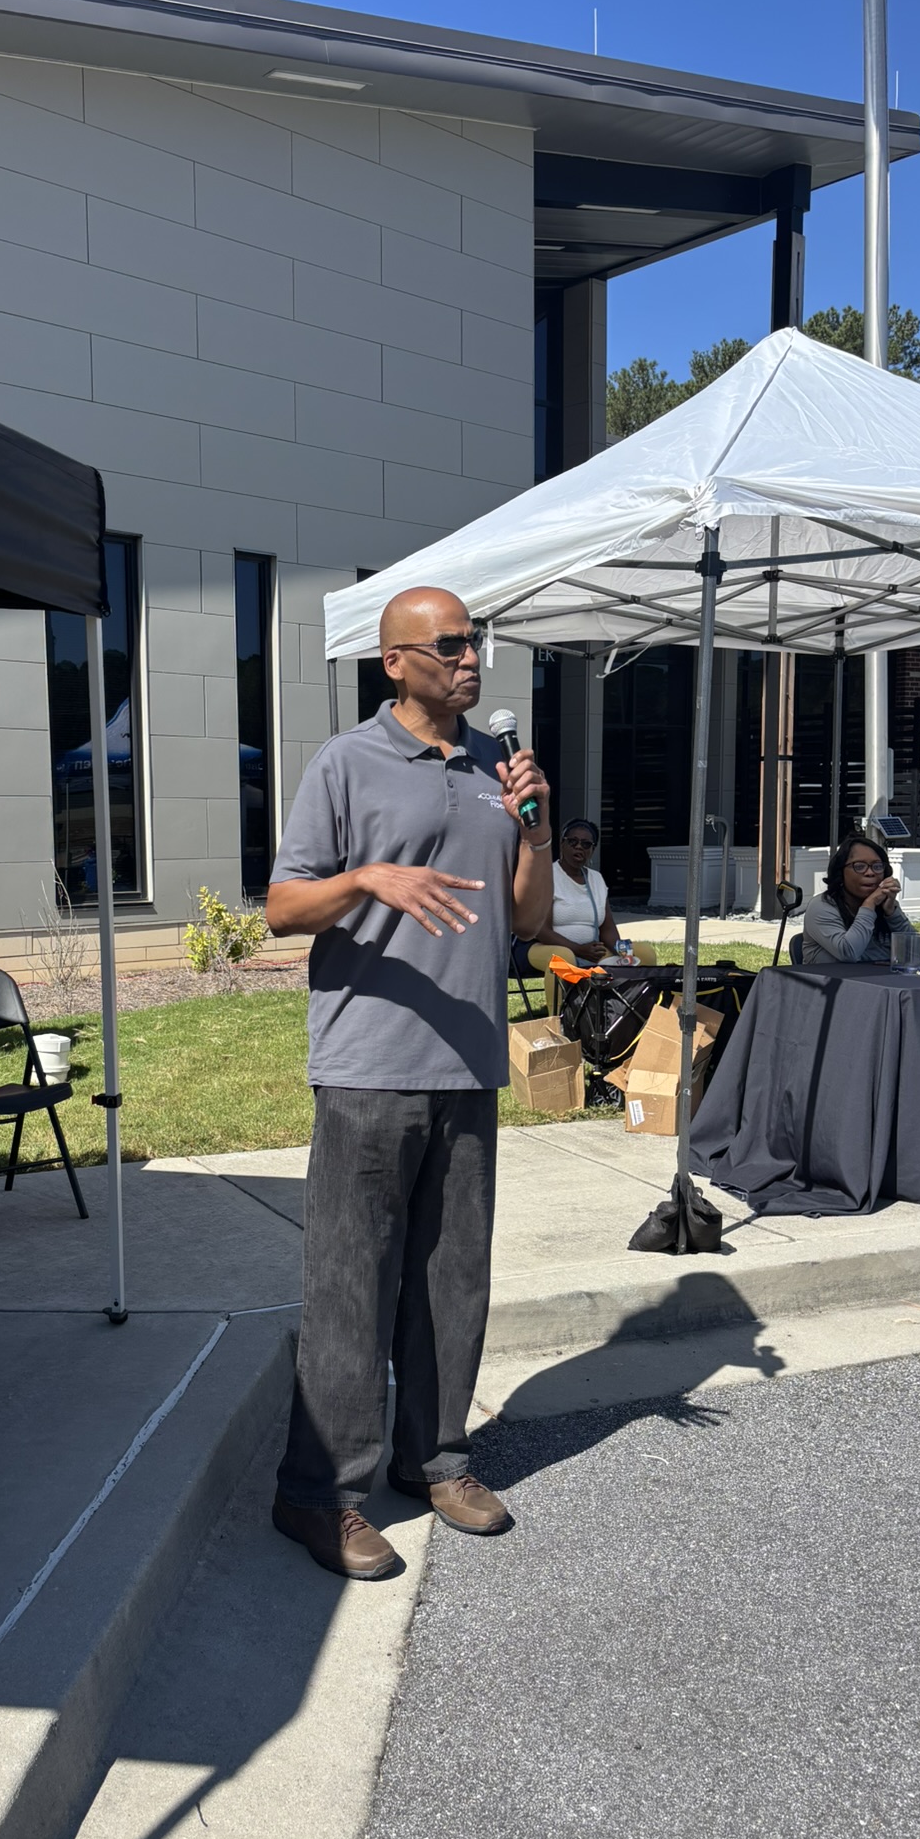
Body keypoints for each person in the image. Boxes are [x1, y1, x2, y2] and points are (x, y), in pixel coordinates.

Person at [264, 586, 552, 1580]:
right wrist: (367, 880)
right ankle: (318, 1493)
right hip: (369, 1064)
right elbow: (282, 906)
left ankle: (435, 1459)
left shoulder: (492, 768)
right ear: (395, 661)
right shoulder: (346, 763)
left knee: (451, 1279)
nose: (471, 661)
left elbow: (526, 919)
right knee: (351, 1285)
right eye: (451, 645)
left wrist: (534, 831)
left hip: (467, 1064)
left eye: (476, 644)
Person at [523, 816, 627, 1011]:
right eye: (573, 842)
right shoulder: (547, 875)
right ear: (562, 844)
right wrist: (578, 949)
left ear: (592, 850)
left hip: (589, 951)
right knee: (563, 958)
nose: (579, 847)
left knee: (644, 954)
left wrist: (624, 953)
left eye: (586, 844)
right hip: (541, 947)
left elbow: (608, 929)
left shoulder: (596, 879)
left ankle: (622, 1014)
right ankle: (558, 1019)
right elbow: (541, 931)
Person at [802, 832, 912, 963]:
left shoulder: (885, 904)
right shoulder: (821, 906)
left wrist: (892, 913)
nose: (870, 873)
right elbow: (848, 953)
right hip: (830, 976)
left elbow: (918, 953)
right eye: (859, 866)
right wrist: (869, 905)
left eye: (877, 866)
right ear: (840, 872)